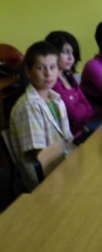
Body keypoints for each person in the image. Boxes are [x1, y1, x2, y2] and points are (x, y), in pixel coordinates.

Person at [9, 41, 74, 191]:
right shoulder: (29, 106)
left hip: (63, 166)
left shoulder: (56, 99)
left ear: (59, 70)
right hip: (46, 181)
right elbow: (41, 156)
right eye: (40, 68)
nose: (48, 74)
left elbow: (68, 140)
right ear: (28, 71)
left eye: (52, 67)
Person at [44, 31, 96, 142]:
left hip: (81, 132)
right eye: (65, 52)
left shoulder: (69, 77)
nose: (71, 58)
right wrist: (81, 108)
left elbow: (89, 109)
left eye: (73, 53)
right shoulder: (53, 82)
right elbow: (75, 115)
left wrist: (79, 109)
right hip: (67, 141)